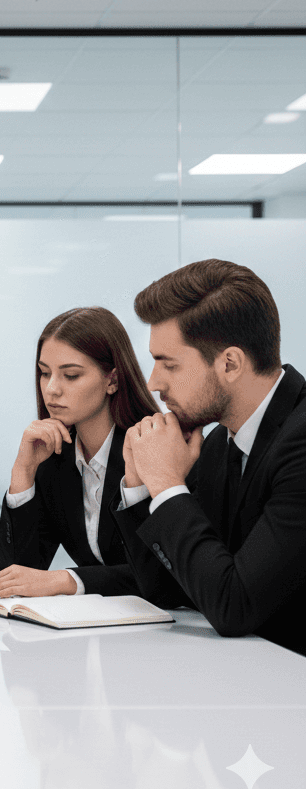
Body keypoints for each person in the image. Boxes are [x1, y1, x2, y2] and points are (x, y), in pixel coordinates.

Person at [115, 259, 306, 656]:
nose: (153, 383)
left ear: (230, 363)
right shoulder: (219, 443)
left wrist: (168, 485)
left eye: (169, 364)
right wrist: (139, 483)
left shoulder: (301, 441)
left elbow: (234, 606)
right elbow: (168, 591)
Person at [0, 307, 158, 598]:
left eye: (71, 375)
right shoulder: (56, 461)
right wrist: (22, 474)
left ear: (112, 380)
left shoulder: (151, 448)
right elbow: (17, 576)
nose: (51, 389)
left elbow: (162, 577)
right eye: (44, 373)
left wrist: (68, 580)